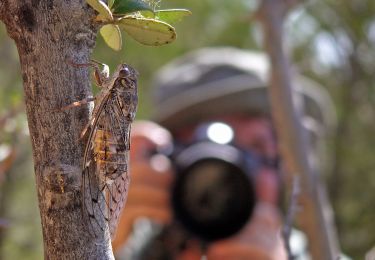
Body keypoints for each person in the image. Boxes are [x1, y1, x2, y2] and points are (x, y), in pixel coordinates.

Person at [112, 47, 336, 259]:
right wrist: (97, 227)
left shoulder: (322, 254)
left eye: (258, 147)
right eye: (202, 147)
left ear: (283, 169)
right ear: (163, 164)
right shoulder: (124, 245)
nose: (226, 169)